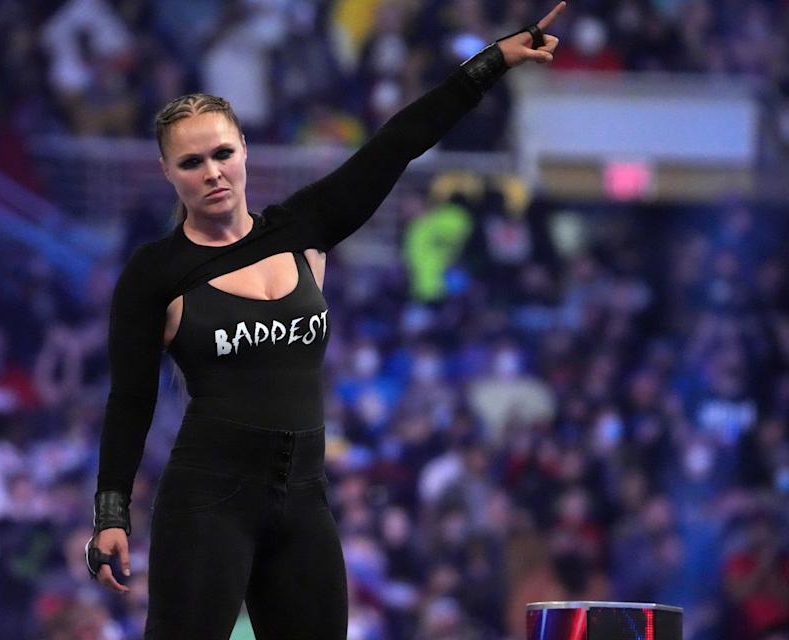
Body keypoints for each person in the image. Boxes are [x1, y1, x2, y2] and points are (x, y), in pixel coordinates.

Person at [85, 5, 566, 638]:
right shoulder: (156, 272)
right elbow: (131, 398)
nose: (213, 173)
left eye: (223, 153)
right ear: (167, 172)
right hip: (207, 502)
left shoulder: (304, 225)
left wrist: (492, 62)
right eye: (191, 163)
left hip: (304, 499)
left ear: (245, 150)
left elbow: (399, 142)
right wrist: (112, 511)